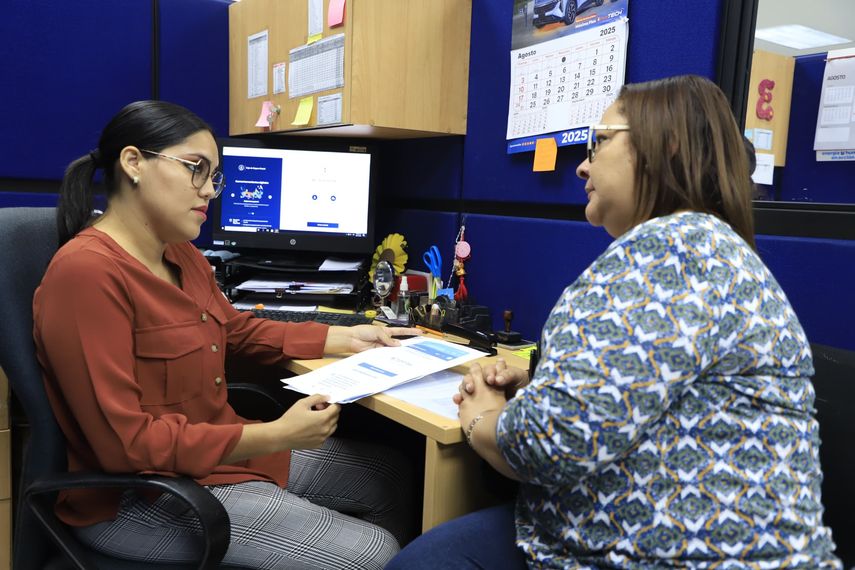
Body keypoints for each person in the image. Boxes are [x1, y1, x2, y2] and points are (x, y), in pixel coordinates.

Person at [387, 75, 842, 569]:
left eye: (599, 141)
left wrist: (482, 416)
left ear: (664, 144)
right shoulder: (702, 247)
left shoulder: (667, 257)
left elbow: (545, 447)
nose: (582, 164)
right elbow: (639, 390)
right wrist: (545, 383)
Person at [33, 100, 421, 569]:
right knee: (371, 555)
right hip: (140, 498)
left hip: (215, 456)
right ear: (133, 162)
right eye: (196, 169)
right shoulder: (86, 275)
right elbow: (127, 446)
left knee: (391, 476)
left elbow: (233, 330)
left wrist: (344, 339)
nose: (210, 191)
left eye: (214, 176)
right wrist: (276, 435)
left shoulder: (181, 253)